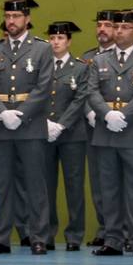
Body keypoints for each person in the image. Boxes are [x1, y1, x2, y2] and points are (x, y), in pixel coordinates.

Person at [0, 0, 54, 255]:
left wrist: (20, 115)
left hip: (30, 125)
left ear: (27, 19)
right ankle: (0, 237)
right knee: (1, 184)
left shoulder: (42, 49)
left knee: (35, 183)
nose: (11, 21)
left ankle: (38, 237)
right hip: (0, 126)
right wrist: (3, 114)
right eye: (8, 17)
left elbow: (43, 87)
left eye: (16, 17)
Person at [86, 8, 133, 258]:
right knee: (109, 189)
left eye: (125, 27)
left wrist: (124, 116)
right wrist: (107, 114)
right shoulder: (99, 60)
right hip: (106, 132)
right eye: (116, 27)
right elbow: (92, 92)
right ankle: (113, 239)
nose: (119, 32)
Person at [44, 20, 90, 251]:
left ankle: (74, 235)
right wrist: (45, 124)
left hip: (72, 135)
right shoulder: (41, 66)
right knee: (45, 186)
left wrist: (60, 125)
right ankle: (47, 233)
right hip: (44, 133)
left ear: (69, 41)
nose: (55, 42)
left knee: (74, 186)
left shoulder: (80, 67)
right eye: (52, 38)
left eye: (60, 38)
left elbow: (80, 99)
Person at [81, 10, 115, 246]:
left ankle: (121, 230)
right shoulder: (88, 57)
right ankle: (105, 229)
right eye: (99, 24)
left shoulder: (127, 57)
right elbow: (82, 88)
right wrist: (90, 111)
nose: (102, 29)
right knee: (99, 181)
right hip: (94, 127)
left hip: (120, 124)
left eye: (108, 25)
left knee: (120, 181)